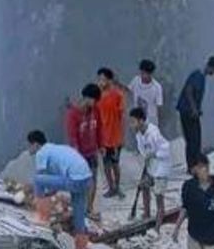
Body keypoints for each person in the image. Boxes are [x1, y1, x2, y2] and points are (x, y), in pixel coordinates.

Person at [26, 129, 93, 238]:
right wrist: (50, 193)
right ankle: (81, 237)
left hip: (74, 180)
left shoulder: (41, 153)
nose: (28, 148)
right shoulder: (55, 149)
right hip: (86, 179)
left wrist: (38, 197)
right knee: (78, 209)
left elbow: (41, 177)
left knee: (37, 180)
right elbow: (55, 179)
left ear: (36, 144)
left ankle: (41, 216)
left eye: (29, 145)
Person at [172, 154, 214, 249]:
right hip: (194, 236)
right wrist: (177, 228)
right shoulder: (189, 187)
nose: (204, 169)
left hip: (213, 238)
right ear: (194, 170)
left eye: (205, 166)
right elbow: (185, 208)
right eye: (200, 167)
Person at [176, 56, 214, 170]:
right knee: (194, 139)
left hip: (188, 111)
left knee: (192, 139)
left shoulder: (200, 76)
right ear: (211, 67)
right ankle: (194, 165)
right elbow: (189, 91)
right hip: (188, 112)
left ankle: (192, 165)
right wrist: (194, 109)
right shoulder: (198, 76)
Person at [130, 107, 172, 230]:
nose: (131, 125)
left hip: (161, 167)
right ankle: (147, 213)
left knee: (159, 196)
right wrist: (148, 157)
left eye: (133, 122)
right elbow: (144, 152)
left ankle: (157, 228)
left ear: (141, 121)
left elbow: (165, 150)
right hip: (151, 165)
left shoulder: (153, 133)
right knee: (144, 186)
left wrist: (154, 154)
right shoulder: (139, 135)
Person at [65, 83, 103, 214]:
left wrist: (101, 145)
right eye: (93, 100)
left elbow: (99, 129)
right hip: (79, 153)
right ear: (86, 98)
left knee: (93, 181)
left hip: (92, 151)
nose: (95, 103)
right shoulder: (73, 114)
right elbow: (72, 135)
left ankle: (89, 207)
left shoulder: (95, 111)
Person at [96, 67, 126, 199]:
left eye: (103, 79)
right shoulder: (97, 96)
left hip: (115, 136)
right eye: (99, 79)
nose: (101, 82)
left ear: (109, 80)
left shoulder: (118, 95)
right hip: (103, 137)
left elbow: (121, 114)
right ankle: (111, 187)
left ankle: (117, 187)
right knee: (105, 164)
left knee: (115, 163)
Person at [128, 60, 164, 127]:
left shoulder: (157, 87)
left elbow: (159, 106)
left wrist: (160, 123)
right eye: (142, 73)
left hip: (151, 122)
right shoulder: (136, 80)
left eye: (146, 74)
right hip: (137, 121)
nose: (144, 76)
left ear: (151, 74)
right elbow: (128, 91)